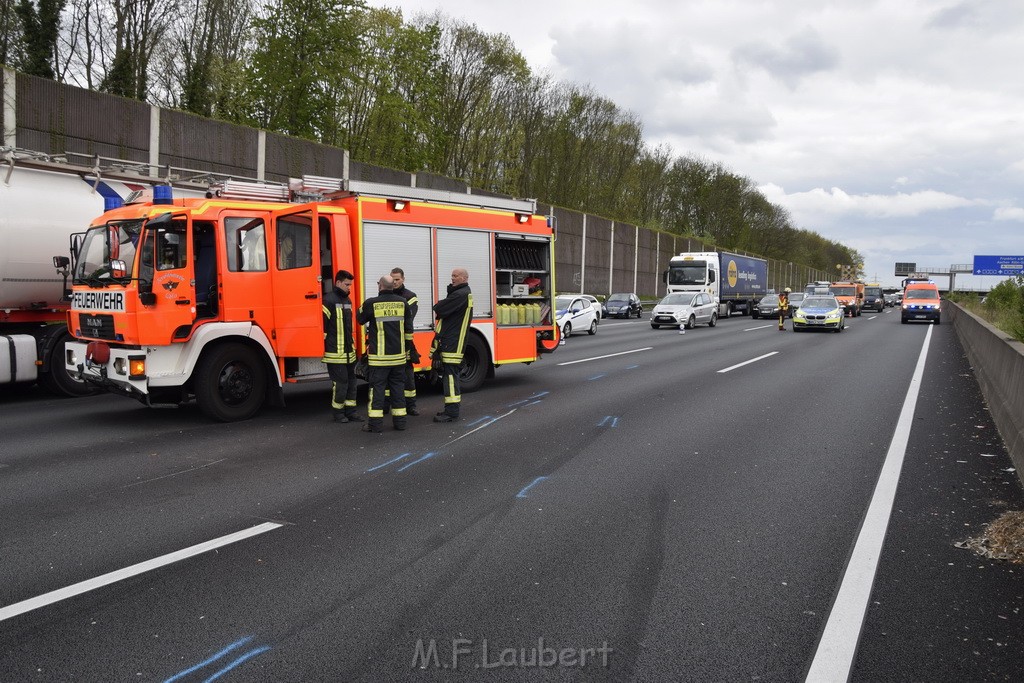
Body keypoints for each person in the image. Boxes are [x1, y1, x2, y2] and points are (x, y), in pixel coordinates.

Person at [358, 275, 415, 433]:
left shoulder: (372, 303)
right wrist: (407, 350)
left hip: (379, 359)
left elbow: (360, 319)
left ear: (380, 286)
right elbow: (409, 331)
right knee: (398, 389)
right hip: (398, 358)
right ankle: (400, 423)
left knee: (377, 390)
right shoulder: (403, 303)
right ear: (392, 286)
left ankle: (375, 425)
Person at [431, 267, 473, 423]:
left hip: (453, 343)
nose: (452, 278)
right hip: (452, 341)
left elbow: (439, 308)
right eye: (452, 276)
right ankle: (450, 410)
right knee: (449, 376)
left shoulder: (460, 295)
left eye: (456, 276)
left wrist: (442, 304)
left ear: (464, 278)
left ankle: (452, 412)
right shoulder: (460, 293)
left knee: (450, 378)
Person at [322, 270, 362, 423]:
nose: (349, 287)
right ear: (338, 283)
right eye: (346, 284)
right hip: (335, 352)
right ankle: (338, 413)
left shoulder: (347, 300)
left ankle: (351, 412)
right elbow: (323, 328)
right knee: (341, 384)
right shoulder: (328, 300)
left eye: (350, 284)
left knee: (352, 383)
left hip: (348, 352)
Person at [388, 267, 421, 415]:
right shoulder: (384, 295)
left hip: (405, 343)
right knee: (387, 375)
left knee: (408, 375)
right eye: (392, 279)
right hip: (388, 342)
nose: (394, 282)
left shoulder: (410, 297)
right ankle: (385, 405)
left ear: (403, 279)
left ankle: (411, 406)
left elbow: (407, 318)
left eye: (397, 279)